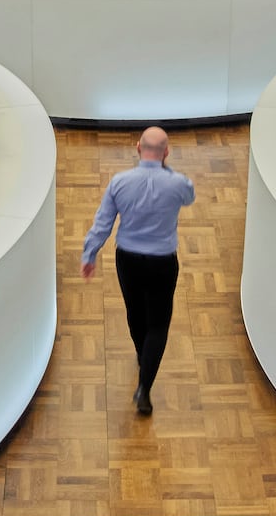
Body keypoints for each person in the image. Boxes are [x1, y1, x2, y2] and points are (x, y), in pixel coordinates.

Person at [82, 126, 195, 416]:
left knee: (135, 313)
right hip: (163, 262)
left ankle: (142, 355)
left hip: (128, 260)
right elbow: (189, 197)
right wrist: (166, 171)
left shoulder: (119, 182)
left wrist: (90, 253)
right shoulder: (178, 183)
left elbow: (103, 222)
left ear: (137, 148)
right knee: (159, 324)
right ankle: (145, 387)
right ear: (166, 152)